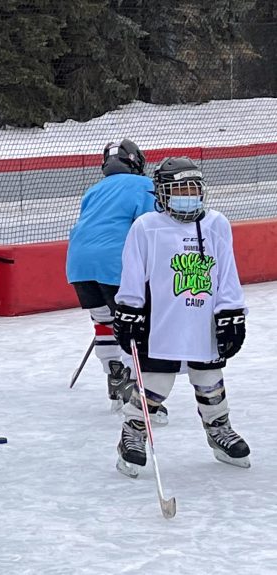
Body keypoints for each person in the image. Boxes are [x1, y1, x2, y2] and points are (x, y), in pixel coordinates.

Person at [113, 157, 250, 477]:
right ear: (161, 193)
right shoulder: (146, 227)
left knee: (209, 378)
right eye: (180, 188)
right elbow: (133, 275)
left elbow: (227, 273)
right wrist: (129, 311)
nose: (188, 194)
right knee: (156, 383)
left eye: (193, 188)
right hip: (162, 322)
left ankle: (219, 429)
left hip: (203, 321)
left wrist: (232, 312)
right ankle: (133, 433)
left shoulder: (216, 224)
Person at [65, 139, 168, 421]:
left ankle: (115, 375)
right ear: (136, 162)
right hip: (115, 264)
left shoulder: (93, 190)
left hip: (78, 265)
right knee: (133, 324)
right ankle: (135, 387)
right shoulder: (143, 186)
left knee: (104, 322)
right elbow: (151, 227)